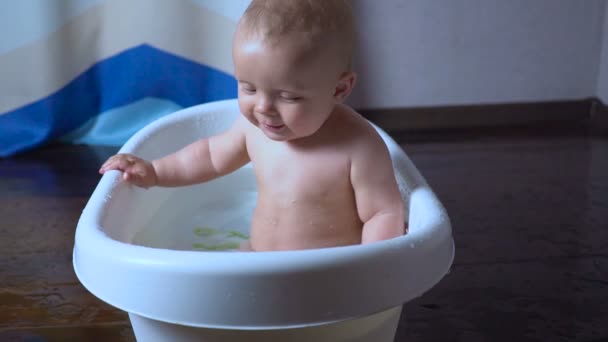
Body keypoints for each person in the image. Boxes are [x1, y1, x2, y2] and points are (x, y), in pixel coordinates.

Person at [99, 0, 406, 252]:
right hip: (255, 254)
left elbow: (382, 212)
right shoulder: (254, 130)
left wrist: (372, 266)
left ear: (340, 89)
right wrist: (154, 172)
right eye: (248, 88)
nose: (263, 108)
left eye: (288, 96)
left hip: (324, 274)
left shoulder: (358, 147)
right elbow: (208, 157)